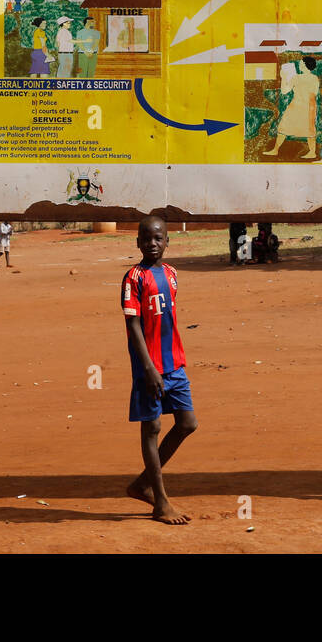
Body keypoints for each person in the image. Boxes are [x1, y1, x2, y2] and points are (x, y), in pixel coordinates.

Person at [121, 216, 197, 525]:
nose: (153, 243)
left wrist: (172, 361)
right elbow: (133, 326)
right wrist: (149, 369)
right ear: (138, 242)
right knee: (151, 429)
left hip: (174, 365)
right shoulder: (133, 278)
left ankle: (142, 483)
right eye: (146, 239)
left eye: (159, 238)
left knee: (187, 423)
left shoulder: (172, 274)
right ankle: (160, 502)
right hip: (149, 369)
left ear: (167, 241)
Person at [265, 56, 322, 159]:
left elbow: (284, 91)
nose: (299, 65)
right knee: (308, 129)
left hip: (299, 104)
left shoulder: (296, 78)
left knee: (285, 126)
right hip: (309, 105)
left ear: (304, 65)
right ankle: (312, 152)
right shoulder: (314, 78)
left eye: (301, 63)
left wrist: (284, 78)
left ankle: (275, 150)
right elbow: (315, 92)